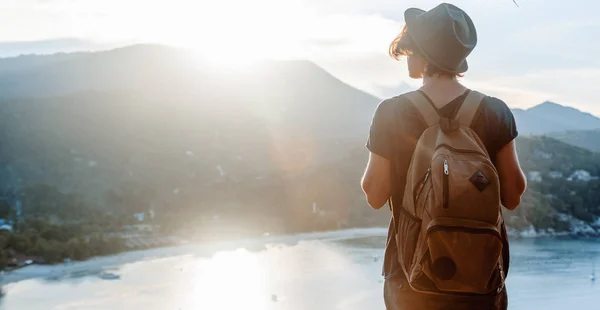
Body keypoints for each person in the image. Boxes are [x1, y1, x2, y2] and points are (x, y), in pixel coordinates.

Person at [360, 3, 526, 310]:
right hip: (481, 278)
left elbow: (374, 194)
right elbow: (513, 195)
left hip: (410, 278)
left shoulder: (391, 112)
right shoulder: (495, 112)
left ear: (421, 51)